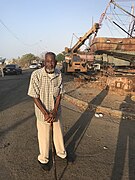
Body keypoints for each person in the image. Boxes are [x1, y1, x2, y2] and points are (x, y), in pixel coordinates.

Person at [28, 52, 67, 171]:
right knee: (44, 137)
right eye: (48, 61)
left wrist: (55, 110)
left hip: (55, 112)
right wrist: (45, 113)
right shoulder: (36, 75)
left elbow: (60, 93)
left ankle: (61, 153)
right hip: (42, 113)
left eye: (53, 61)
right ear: (44, 62)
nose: (50, 64)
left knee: (58, 133)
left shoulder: (58, 73)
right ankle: (43, 159)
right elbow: (34, 96)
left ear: (55, 62)